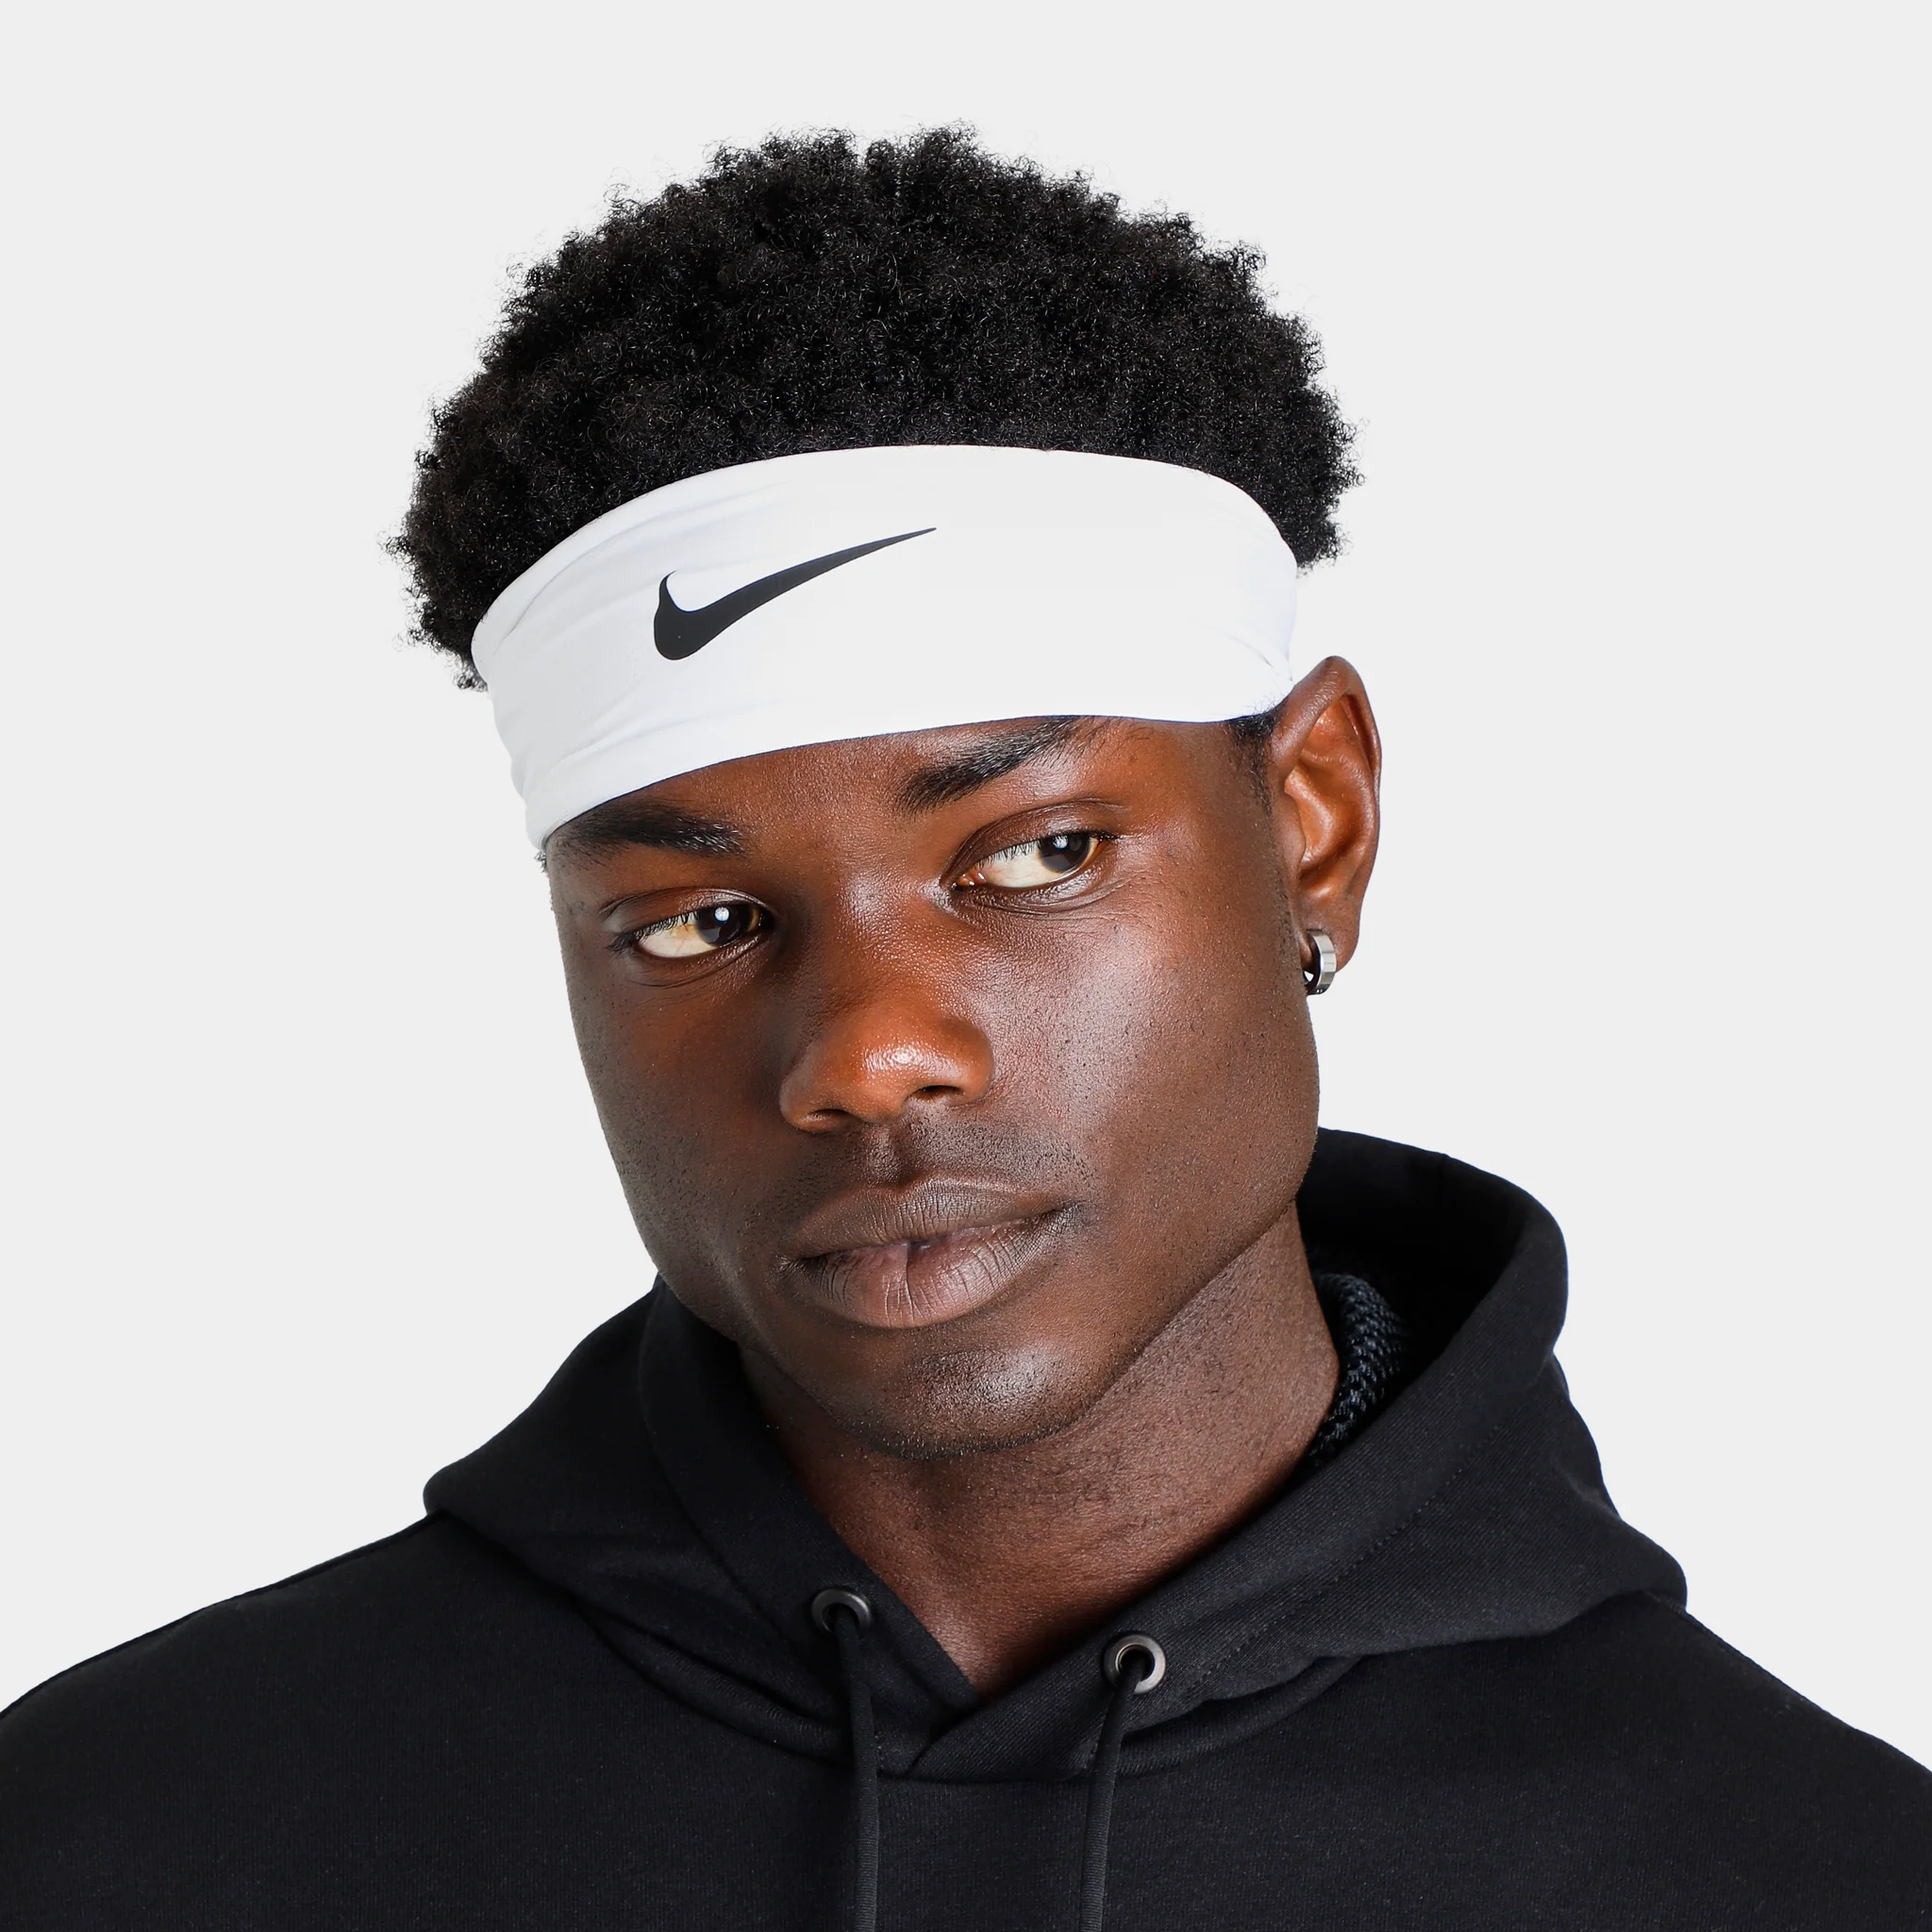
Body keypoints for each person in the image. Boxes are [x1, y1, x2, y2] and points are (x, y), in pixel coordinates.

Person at [3, 127, 1926, 1931]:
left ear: (1313, 821)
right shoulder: (120, 1835)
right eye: (697, 921)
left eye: (1035, 855)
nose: (867, 1055)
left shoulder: (1811, 1873)